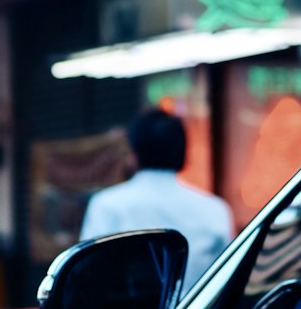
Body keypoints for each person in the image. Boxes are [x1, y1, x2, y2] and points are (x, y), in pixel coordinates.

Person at [80, 109, 234, 290]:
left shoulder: (106, 205)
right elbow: (228, 278)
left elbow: (88, 274)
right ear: (183, 150)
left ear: (134, 152)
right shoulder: (215, 208)